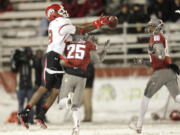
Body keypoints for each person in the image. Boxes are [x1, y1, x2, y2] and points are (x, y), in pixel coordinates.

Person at [18, 3, 114, 129]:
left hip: (56, 58)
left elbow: (75, 32)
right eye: (60, 10)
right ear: (54, 13)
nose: (63, 11)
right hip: (52, 57)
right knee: (44, 86)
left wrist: (96, 23)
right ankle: (25, 112)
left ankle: (40, 115)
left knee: (56, 90)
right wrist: (99, 23)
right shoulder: (61, 22)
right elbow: (82, 29)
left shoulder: (56, 23)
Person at [129, 18, 180, 133]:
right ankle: (139, 125)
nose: (149, 29)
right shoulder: (158, 38)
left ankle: (139, 125)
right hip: (168, 71)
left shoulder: (156, 37)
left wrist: (153, 51)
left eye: (152, 26)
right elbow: (156, 60)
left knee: (146, 96)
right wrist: (142, 61)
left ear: (157, 27)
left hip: (161, 71)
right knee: (177, 98)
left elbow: (160, 56)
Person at [58, 35, 110, 135]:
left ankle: (69, 103)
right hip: (82, 77)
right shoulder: (89, 47)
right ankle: (79, 125)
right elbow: (98, 60)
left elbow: (62, 59)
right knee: (77, 105)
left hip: (72, 74)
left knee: (63, 103)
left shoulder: (71, 45)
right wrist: (105, 50)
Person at [11, 47, 35, 124]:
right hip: (21, 86)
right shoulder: (19, 62)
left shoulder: (31, 60)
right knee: (21, 104)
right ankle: (20, 120)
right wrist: (14, 58)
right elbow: (13, 69)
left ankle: (30, 120)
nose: (29, 54)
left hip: (29, 86)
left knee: (30, 105)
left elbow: (33, 64)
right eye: (28, 52)